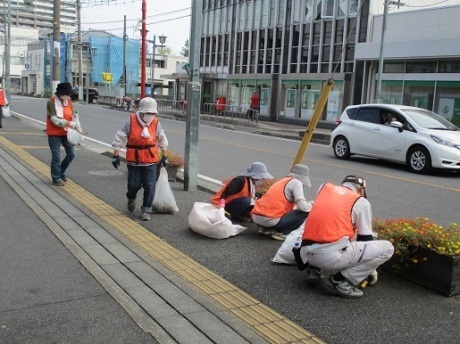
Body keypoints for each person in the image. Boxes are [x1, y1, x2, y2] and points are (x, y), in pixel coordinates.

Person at [299, 175, 394, 299]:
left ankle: (314, 270)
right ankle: (339, 281)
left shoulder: (324, 187)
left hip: (305, 253)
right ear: (360, 189)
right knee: (388, 248)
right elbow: (365, 239)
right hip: (328, 257)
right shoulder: (361, 201)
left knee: (331, 225)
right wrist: (370, 270)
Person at [111, 97, 169, 221]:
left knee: (150, 185)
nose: (150, 115)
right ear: (142, 112)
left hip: (150, 158)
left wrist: (164, 156)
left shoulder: (156, 123)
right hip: (134, 159)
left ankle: (146, 210)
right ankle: (131, 197)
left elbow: (162, 139)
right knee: (134, 185)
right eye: (148, 113)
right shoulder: (131, 121)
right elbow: (120, 137)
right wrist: (116, 154)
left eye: (153, 113)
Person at [252, 164, 314, 241]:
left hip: (256, 217)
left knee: (290, 211)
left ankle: (266, 229)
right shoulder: (296, 182)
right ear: (303, 178)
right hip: (270, 220)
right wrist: (312, 205)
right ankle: (283, 233)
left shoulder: (282, 181)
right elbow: (302, 207)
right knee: (306, 213)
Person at [46, 82, 80, 186]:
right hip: (54, 134)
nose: (69, 96)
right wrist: (69, 123)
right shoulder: (51, 102)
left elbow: (72, 114)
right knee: (56, 157)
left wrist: (76, 123)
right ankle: (56, 178)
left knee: (71, 154)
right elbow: (54, 119)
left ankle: (61, 171)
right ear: (61, 93)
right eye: (67, 94)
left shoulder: (68, 102)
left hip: (67, 133)